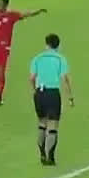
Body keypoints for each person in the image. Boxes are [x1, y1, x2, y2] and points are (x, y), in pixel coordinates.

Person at [30, 33, 74, 166]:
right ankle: (50, 157)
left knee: (42, 124)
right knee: (53, 126)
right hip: (53, 93)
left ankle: (42, 154)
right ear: (58, 45)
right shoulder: (60, 59)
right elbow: (65, 79)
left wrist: (34, 91)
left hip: (39, 93)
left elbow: (32, 78)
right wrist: (70, 97)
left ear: (46, 44)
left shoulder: (37, 58)